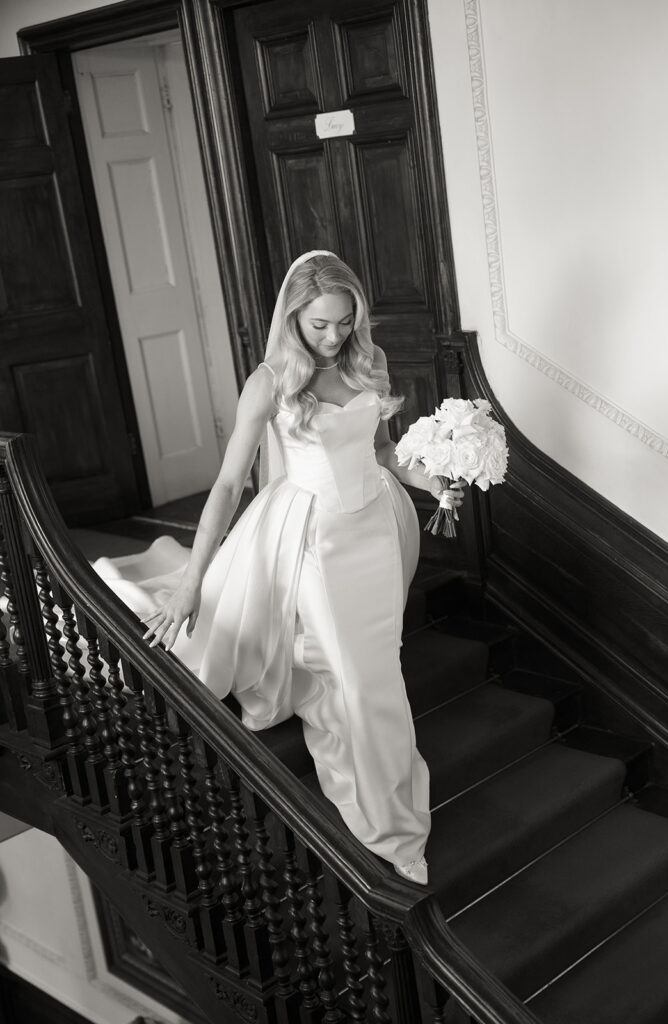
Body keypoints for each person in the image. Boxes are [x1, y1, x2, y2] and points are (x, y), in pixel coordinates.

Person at [134, 251, 463, 885]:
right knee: (366, 681)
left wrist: (438, 484)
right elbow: (230, 485)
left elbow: (387, 452)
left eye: (344, 322)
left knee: (374, 668)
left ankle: (387, 800)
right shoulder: (268, 383)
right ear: (292, 319)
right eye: (319, 325)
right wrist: (192, 582)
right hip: (316, 541)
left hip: (376, 531)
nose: (335, 336)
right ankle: (393, 831)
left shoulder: (370, 363)